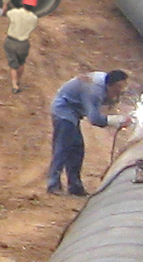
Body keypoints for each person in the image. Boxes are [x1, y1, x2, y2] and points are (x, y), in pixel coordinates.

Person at [43, 68, 130, 197]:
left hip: (72, 113)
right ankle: (53, 184)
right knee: (63, 148)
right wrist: (118, 120)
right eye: (119, 89)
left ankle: (75, 187)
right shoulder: (94, 91)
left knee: (77, 149)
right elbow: (94, 119)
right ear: (112, 85)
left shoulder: (103, 81)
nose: (120, 92)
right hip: (63, 111)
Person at [3, 0, 40, 92]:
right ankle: (18, 81)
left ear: (23, 3)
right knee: (21, 63)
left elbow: (4, 12)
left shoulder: (15, 12)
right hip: (23, 43)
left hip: (11, 41)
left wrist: (5, 3)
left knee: (13, 64)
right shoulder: (34, 18)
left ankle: (14, 85)